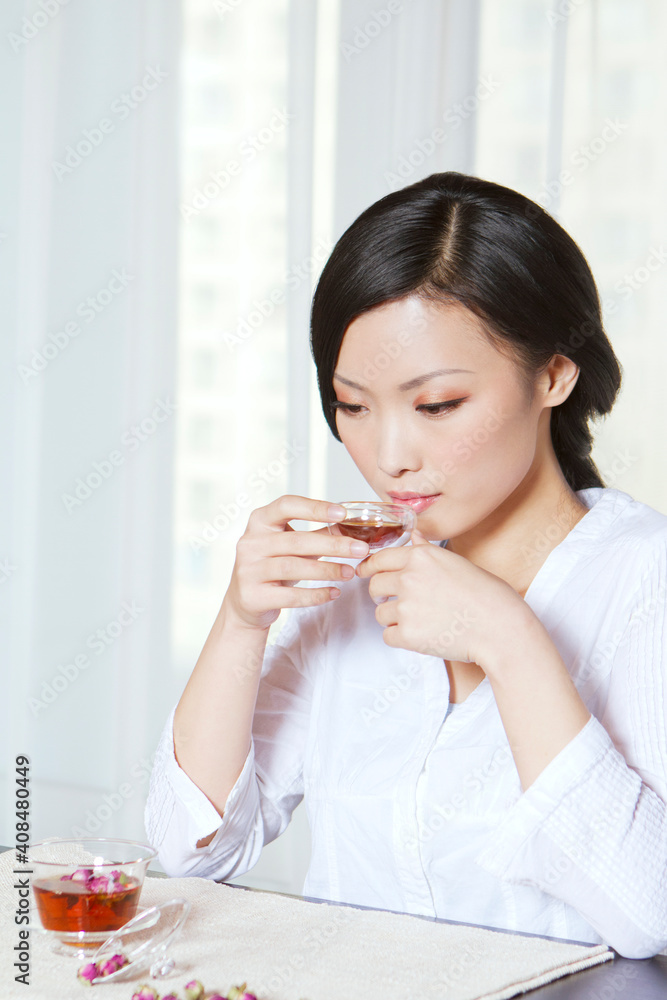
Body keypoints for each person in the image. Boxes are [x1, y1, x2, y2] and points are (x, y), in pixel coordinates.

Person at [145, 172, 667, 960]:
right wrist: (240, 621)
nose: (388, 458)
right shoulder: (351, 580)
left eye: (436, 406)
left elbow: (648, 918)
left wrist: (513, 644)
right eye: (352, 406)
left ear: (552, 375)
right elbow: (194, 851)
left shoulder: (642, 580)